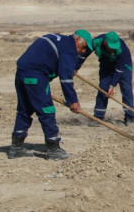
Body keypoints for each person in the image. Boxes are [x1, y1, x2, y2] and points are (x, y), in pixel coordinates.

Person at [9, 30, 92, 160]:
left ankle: (16, 148)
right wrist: (73, 101)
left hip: (21, 73)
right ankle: (53, 149)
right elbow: (65, 78)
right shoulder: (69, 48)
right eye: (84, 47)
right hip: (35, 76)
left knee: (25, 110)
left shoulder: (58, 39)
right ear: (77, 39)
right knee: (47, 110)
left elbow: (48, 61)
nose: (83, 51)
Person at [90, 31, 134, 126]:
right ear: (105, 43)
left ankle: (130, 117)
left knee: (126, 90)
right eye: (111, 47)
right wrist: (76, 67)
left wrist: (112, 86)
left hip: (124, 67)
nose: (113, 49)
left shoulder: (122, 50)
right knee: (103, 89)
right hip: (106, 65)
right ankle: (98, 117)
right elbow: (84, 54)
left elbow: (119, 70)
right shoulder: (96, 41)